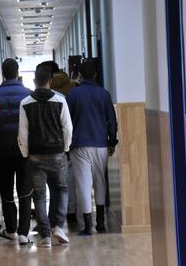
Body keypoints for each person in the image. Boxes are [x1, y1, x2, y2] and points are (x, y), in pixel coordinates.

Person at [18, 66, 73, 247]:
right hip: (57, 152)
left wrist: (26, 153)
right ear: (50, 81)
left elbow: (22, 133)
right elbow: (68, 128)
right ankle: (58, 226)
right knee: (62, 189)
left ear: (34, 81)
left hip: (35, 155)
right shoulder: (60, 100)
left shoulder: (25, 103)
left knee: (40, 196)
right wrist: (65, 148)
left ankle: (45, 236)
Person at [66, 60, 118, 236]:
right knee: (100, 181)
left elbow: (67, 122)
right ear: (95, 75)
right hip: (101, 143)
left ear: (79, 75)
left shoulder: (73, 95)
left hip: (79, 144)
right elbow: (111, 120)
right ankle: (101, 223)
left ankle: (87, 225)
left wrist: (66, 144)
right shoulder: (104, 94)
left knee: (83, 183)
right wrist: (112, 141)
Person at [0, 58, 32, 246]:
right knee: (25, 191)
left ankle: (11, 229)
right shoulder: (28, 95)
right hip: (24, 152)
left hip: (2, 153)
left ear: (3, 73)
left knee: (6, 192)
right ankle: (23, 233)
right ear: (17, 71)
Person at [37, 61, 78, 224]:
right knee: (63, 186)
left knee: (40, 191)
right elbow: (68, 124)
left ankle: (44, 225)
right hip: (60, 146)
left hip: (39, 147)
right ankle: (67, 216)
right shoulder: (71, 89)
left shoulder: (34, 98)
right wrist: (67, 146)